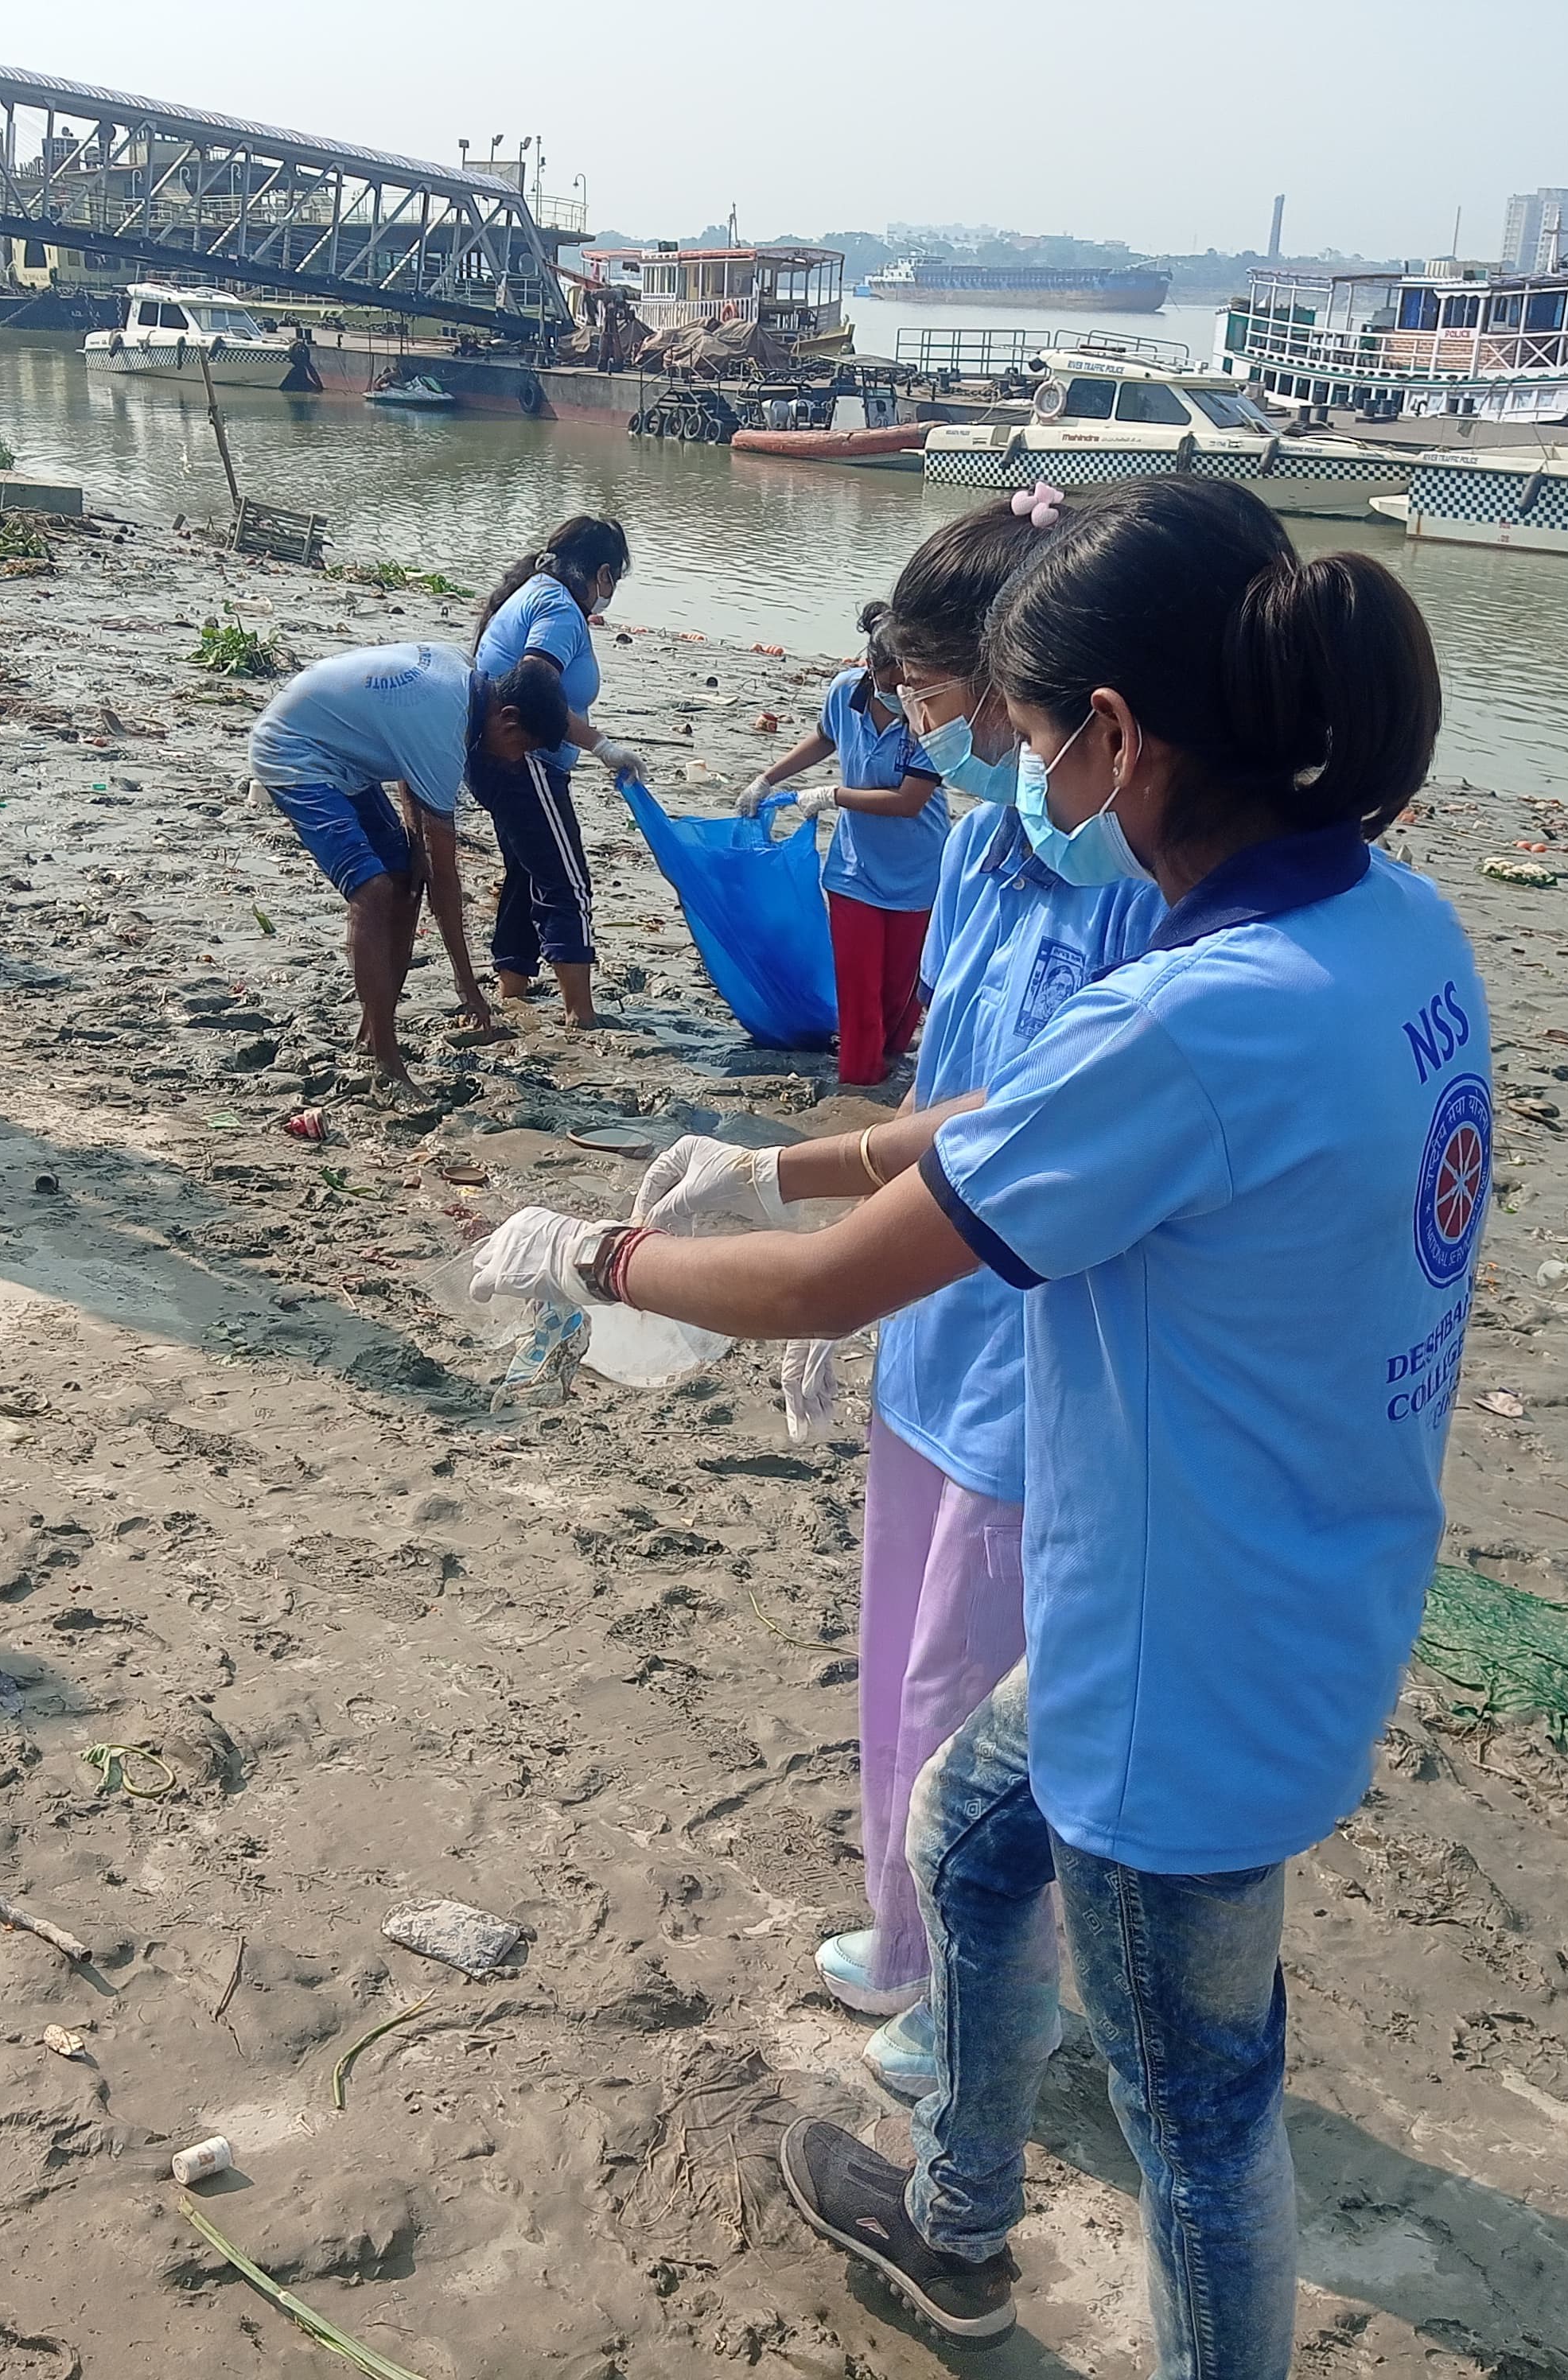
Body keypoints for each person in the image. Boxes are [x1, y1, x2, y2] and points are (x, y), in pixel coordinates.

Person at [473, 477, 1482, 2374]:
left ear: (1110, 734)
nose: (1009, 766)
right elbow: (1016, 1120)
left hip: (1182, 1655)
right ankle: (955, 2208)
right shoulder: (1383, 928)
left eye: (1024, 729)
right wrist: (777, 1155)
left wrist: (594, 1256)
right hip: (1291, 1576)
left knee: (1199, 2116)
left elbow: (826, 1288)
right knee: (962, 1832)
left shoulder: (1196, 1022)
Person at [669, 495, 1166, 2100]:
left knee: (976, 1666)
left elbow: (1025, 1129)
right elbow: (940, 1076)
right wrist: (857, 1262)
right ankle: (906, 1925)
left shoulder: (1139, 891)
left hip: (1039, 1329)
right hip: (932, 1311)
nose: (932, 738)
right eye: (919, 711)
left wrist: (788, 1208)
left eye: (954, 713)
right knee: (895, 1643)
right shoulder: (970, 849)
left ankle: (988, 1994)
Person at [246, 641, 569, 1086]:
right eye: (521, 747)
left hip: (346, 756)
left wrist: (415, 846)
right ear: (508, 717)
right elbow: (446, 880)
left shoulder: (464, 679)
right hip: (294, 751)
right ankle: (386, 1058)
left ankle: (371, 1032)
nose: (515, 760)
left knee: (405, 877)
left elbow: (406, 767)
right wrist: (465, 981)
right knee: (373, 891)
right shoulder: (446, 729)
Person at [744, 601, 949, 1087]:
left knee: (900, 992)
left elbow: (908, 801)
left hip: (918, 871)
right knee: (859, 990)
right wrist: (767, 779)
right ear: (871, 667)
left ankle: (891, 1061)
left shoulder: (932, 711)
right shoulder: (845, 694)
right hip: (854, 870)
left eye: (911, 680)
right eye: (893, 680)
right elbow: (823, 738)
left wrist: (832, 794)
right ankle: (857, 1081)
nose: (903, 691)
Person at [468, 516, 641, 1029]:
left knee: (526, 874)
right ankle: (580, 1013)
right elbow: (534, 688)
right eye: (613, 582)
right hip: (528, 761)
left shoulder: (535, 591)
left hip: (498, 758)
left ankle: (513, 992)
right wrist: (602, 746)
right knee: (567, 881)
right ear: (603, 575)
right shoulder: (560, 610)